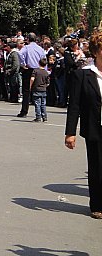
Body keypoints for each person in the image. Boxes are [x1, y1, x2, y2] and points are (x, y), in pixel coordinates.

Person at [65, 30, 102, 220]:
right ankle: (97, 204)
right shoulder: (84, 74)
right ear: (96, 52)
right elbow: (75, 105)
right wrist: (70, 132)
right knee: (96, 168)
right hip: (95, 128)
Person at [17, 33, 47, 118]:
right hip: (38, 69)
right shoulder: (40, 49)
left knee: (26, 91)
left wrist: (23, 63)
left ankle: (24, 111)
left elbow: (19, 54)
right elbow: (44, 58)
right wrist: (44, 69)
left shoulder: (26, 48)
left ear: (28, 39)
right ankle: (41, 112)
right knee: (39, 91)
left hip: (29, 69)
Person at [30, 57, 50, 122]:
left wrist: (30, 86)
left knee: (37, 103)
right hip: (43, 89)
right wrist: (44, 86)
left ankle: (38, 117)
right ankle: (44, 117)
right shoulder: (46, 72)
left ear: (39, 63)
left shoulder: (35, 71)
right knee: (43, 104)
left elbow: (32, 79)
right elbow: (48, 83)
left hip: (36, 89)